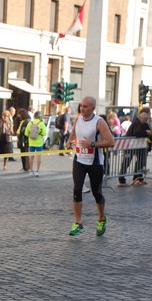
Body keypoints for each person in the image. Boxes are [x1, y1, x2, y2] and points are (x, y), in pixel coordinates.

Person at [66, 96, 114, 236]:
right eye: (82, 105)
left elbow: (111, 142)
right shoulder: (78, 118)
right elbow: (74, 131)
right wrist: (69, 141)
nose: (82, 108)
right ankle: (78, 223)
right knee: (77, 190)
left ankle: (101, 218)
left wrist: (92, 144)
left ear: (93, 108)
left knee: (96, 193)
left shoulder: (99, 122)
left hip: (95, 162)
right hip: (79, 160)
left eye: (86, 106)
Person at [118, 109, 152, 186]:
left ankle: (137, 178)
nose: (146, 121)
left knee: (139, 162)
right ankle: (122, 179)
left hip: (138, 146)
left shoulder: (142, 123)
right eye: (145, 119)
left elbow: (149, 131)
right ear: (142, 118)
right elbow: (137, 133)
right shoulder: (137, 123)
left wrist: (148, 132)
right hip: (131, 146)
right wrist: (146, 132)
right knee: (127, 162)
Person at [25, 110, 46, 176]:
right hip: (39, 142)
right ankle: (37, 171)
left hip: (31, 142)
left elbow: (26, 133)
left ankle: (31, 170)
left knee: (31, 156)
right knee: (38, 157)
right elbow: (44, 133)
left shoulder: (30, 123)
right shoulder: (41, 123)